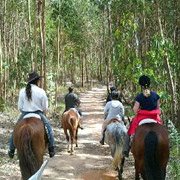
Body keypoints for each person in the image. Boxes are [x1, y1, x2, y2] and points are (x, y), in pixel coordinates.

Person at [8, 71, 55, 158]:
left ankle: (11, 150)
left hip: (25, 113)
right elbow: (45, 107)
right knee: (49, 129)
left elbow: (20, 107)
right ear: (37, 81)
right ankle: (51, 148)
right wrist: (42, 111)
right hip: (38, 113)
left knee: (15, 130)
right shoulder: (41, 91)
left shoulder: (22, 91)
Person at [123, 75, 162, 157]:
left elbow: (135, 109)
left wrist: (139, 110)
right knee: (162, 129)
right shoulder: (155, 95)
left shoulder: (139, 97)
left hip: (142, 117)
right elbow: (158, 108)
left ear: (141, 86)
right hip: (154, 117)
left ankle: (126, 149)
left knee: (130, 130)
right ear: (150, 84)